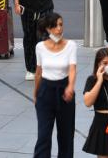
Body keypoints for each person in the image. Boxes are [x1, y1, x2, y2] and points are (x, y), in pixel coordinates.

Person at [34, 13, 77, 158]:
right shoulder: (40, 47)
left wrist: (70, 86)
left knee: (66, 135)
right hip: (45, 91)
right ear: (48, 29)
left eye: (61, 24)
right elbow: (38, 72)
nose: (59, 29)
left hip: (64, 90)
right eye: (55, 26)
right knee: (44, 135)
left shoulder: (71, 45)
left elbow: (72, 68)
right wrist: (36, 94)